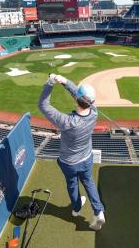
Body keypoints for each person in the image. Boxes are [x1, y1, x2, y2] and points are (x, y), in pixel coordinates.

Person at [38, 74, 106, 231]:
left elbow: (43, 104)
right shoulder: (94, 112)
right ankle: (98, 211)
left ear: (77, 99)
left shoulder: (67, 121)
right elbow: (80, 96)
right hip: (87, 157)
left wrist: (50, 82)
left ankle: (76, 208)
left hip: (69, 163)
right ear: (92, 102)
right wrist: (65, 82)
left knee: (72, 184)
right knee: (89, 182)